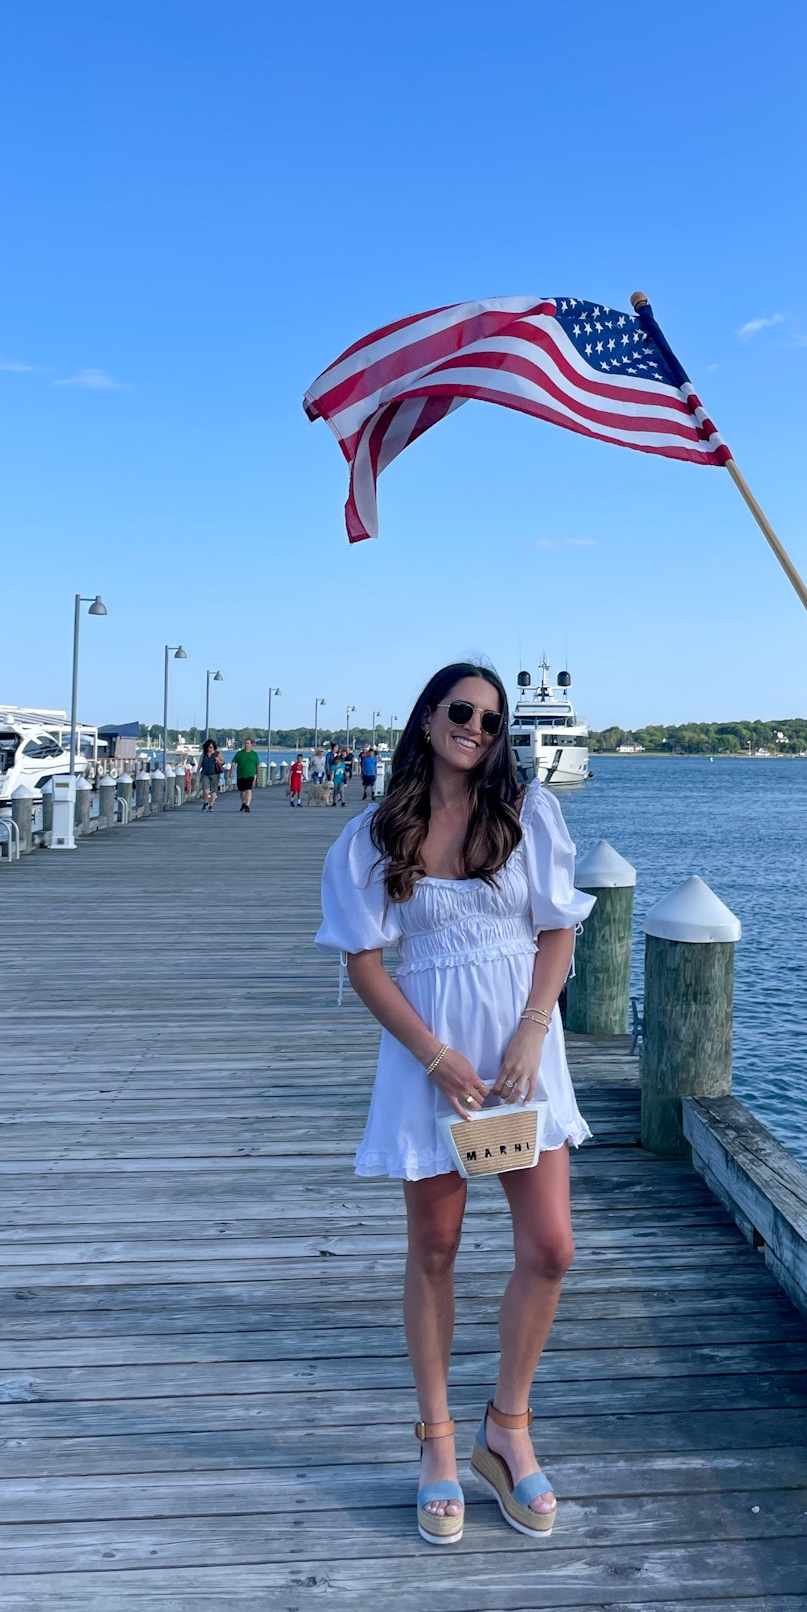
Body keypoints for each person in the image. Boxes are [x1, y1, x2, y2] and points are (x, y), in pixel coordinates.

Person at [317, 663, 593, 1548]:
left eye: (491, 718)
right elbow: (364, 963)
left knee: (549, 1248)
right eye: (462, 711)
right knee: (434, 1247)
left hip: (519, 1059)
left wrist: (532, 1030)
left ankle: (505, 1427)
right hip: (430, 1063)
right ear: (430, 718)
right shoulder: (372, 833)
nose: (476, 727)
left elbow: (557, 929)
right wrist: (434, 1057)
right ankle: (437, 1438)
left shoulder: (528, 814)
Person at [232, 739, 261, 813]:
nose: (246, 745)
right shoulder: (239, 753)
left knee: (248, 789)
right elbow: (233, 762)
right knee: (242, 791)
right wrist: (231, 772)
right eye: (245, 743)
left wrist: (258, 775)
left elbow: (257, 765)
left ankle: (247, 805)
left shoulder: (254, 754)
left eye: (248, 743)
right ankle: (244, 803)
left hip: (250, 775)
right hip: (240, 775)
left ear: (251, 745)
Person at [199, 737, 224, 809]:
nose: (209, 749)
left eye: (211, 747)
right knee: (205, 790)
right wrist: (197, 773)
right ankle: (205, 802)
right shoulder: (204, 754)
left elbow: (223, 762)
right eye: (208, 747)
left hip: (215, 774)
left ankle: (210, 805)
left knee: (214, 791)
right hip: (205, 773)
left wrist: (218, 761)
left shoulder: (217, 754)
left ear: (213, 747)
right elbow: (200, 764)